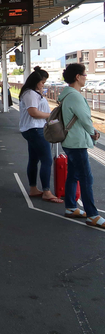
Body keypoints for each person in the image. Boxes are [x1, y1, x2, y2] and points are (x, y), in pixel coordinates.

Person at [58, 63, 103, 227]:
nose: (86, 77)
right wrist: (93, 133)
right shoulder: (75, 96)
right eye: (85, 74)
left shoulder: (65, 94)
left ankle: (70, 207)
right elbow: (85, 119)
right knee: (86, 178)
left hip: (70, 141)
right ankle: (92, 215)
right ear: (77, 76)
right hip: (76, 142)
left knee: (74, 175)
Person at [18, 67, 61, 202]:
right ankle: (46, 191)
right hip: (36, 130)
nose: (44, 85)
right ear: (36, 82)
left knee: (34, 159)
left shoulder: (30, 92)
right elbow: (34, 112)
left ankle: (33, 188)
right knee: (46, 160)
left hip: (31, 130)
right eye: (42, 82)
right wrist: (51, 116)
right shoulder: (30, 94)